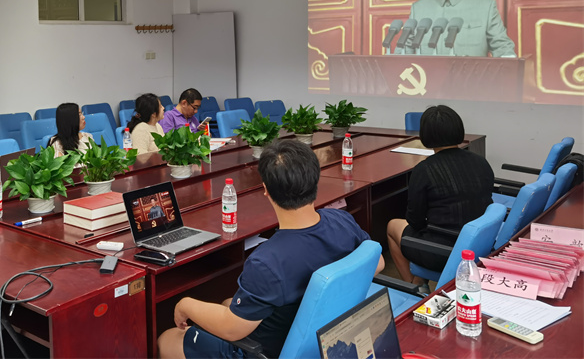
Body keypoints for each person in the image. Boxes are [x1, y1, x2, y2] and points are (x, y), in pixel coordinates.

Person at [158, 139, 383, 359]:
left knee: (167, 339)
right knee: (228, 302)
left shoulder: (267, 262)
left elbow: (232, 330)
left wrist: (185, 305)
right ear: (315, 180)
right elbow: (378, 262)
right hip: (328, 337)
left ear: (266, 190)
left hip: (265, 350)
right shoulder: (342, 220)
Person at [386, 105, 494, 284]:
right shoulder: (481, 162)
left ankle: (415, 288)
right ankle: (418, 281)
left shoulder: (425, 169)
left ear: (424, 136)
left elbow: (415, 221)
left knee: (393, 226)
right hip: (479, 245)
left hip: (445, 251)